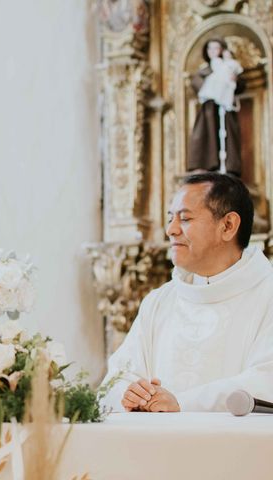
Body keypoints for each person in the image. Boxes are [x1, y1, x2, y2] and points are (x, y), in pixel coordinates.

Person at [101, 172, 273, 412]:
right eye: (170, 218)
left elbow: (266, 382)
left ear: (228, 225)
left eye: (185, 219)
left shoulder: (267, 294)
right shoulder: (160, 301)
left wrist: (182, 403)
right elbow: (114, 381)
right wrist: (130, 395)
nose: (171, 230)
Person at [188, 38, 244, 176]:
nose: (213, 51)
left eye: (216, 48)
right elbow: (197, 84)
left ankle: (229, 167)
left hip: (225, 109)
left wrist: (233, 80)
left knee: (227, 137)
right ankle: (210, 164)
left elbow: (241, 85)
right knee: (208, 135)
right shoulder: (204, 70)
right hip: (209, 110)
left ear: (222, 50)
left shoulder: (228, 67)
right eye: (210, 48)